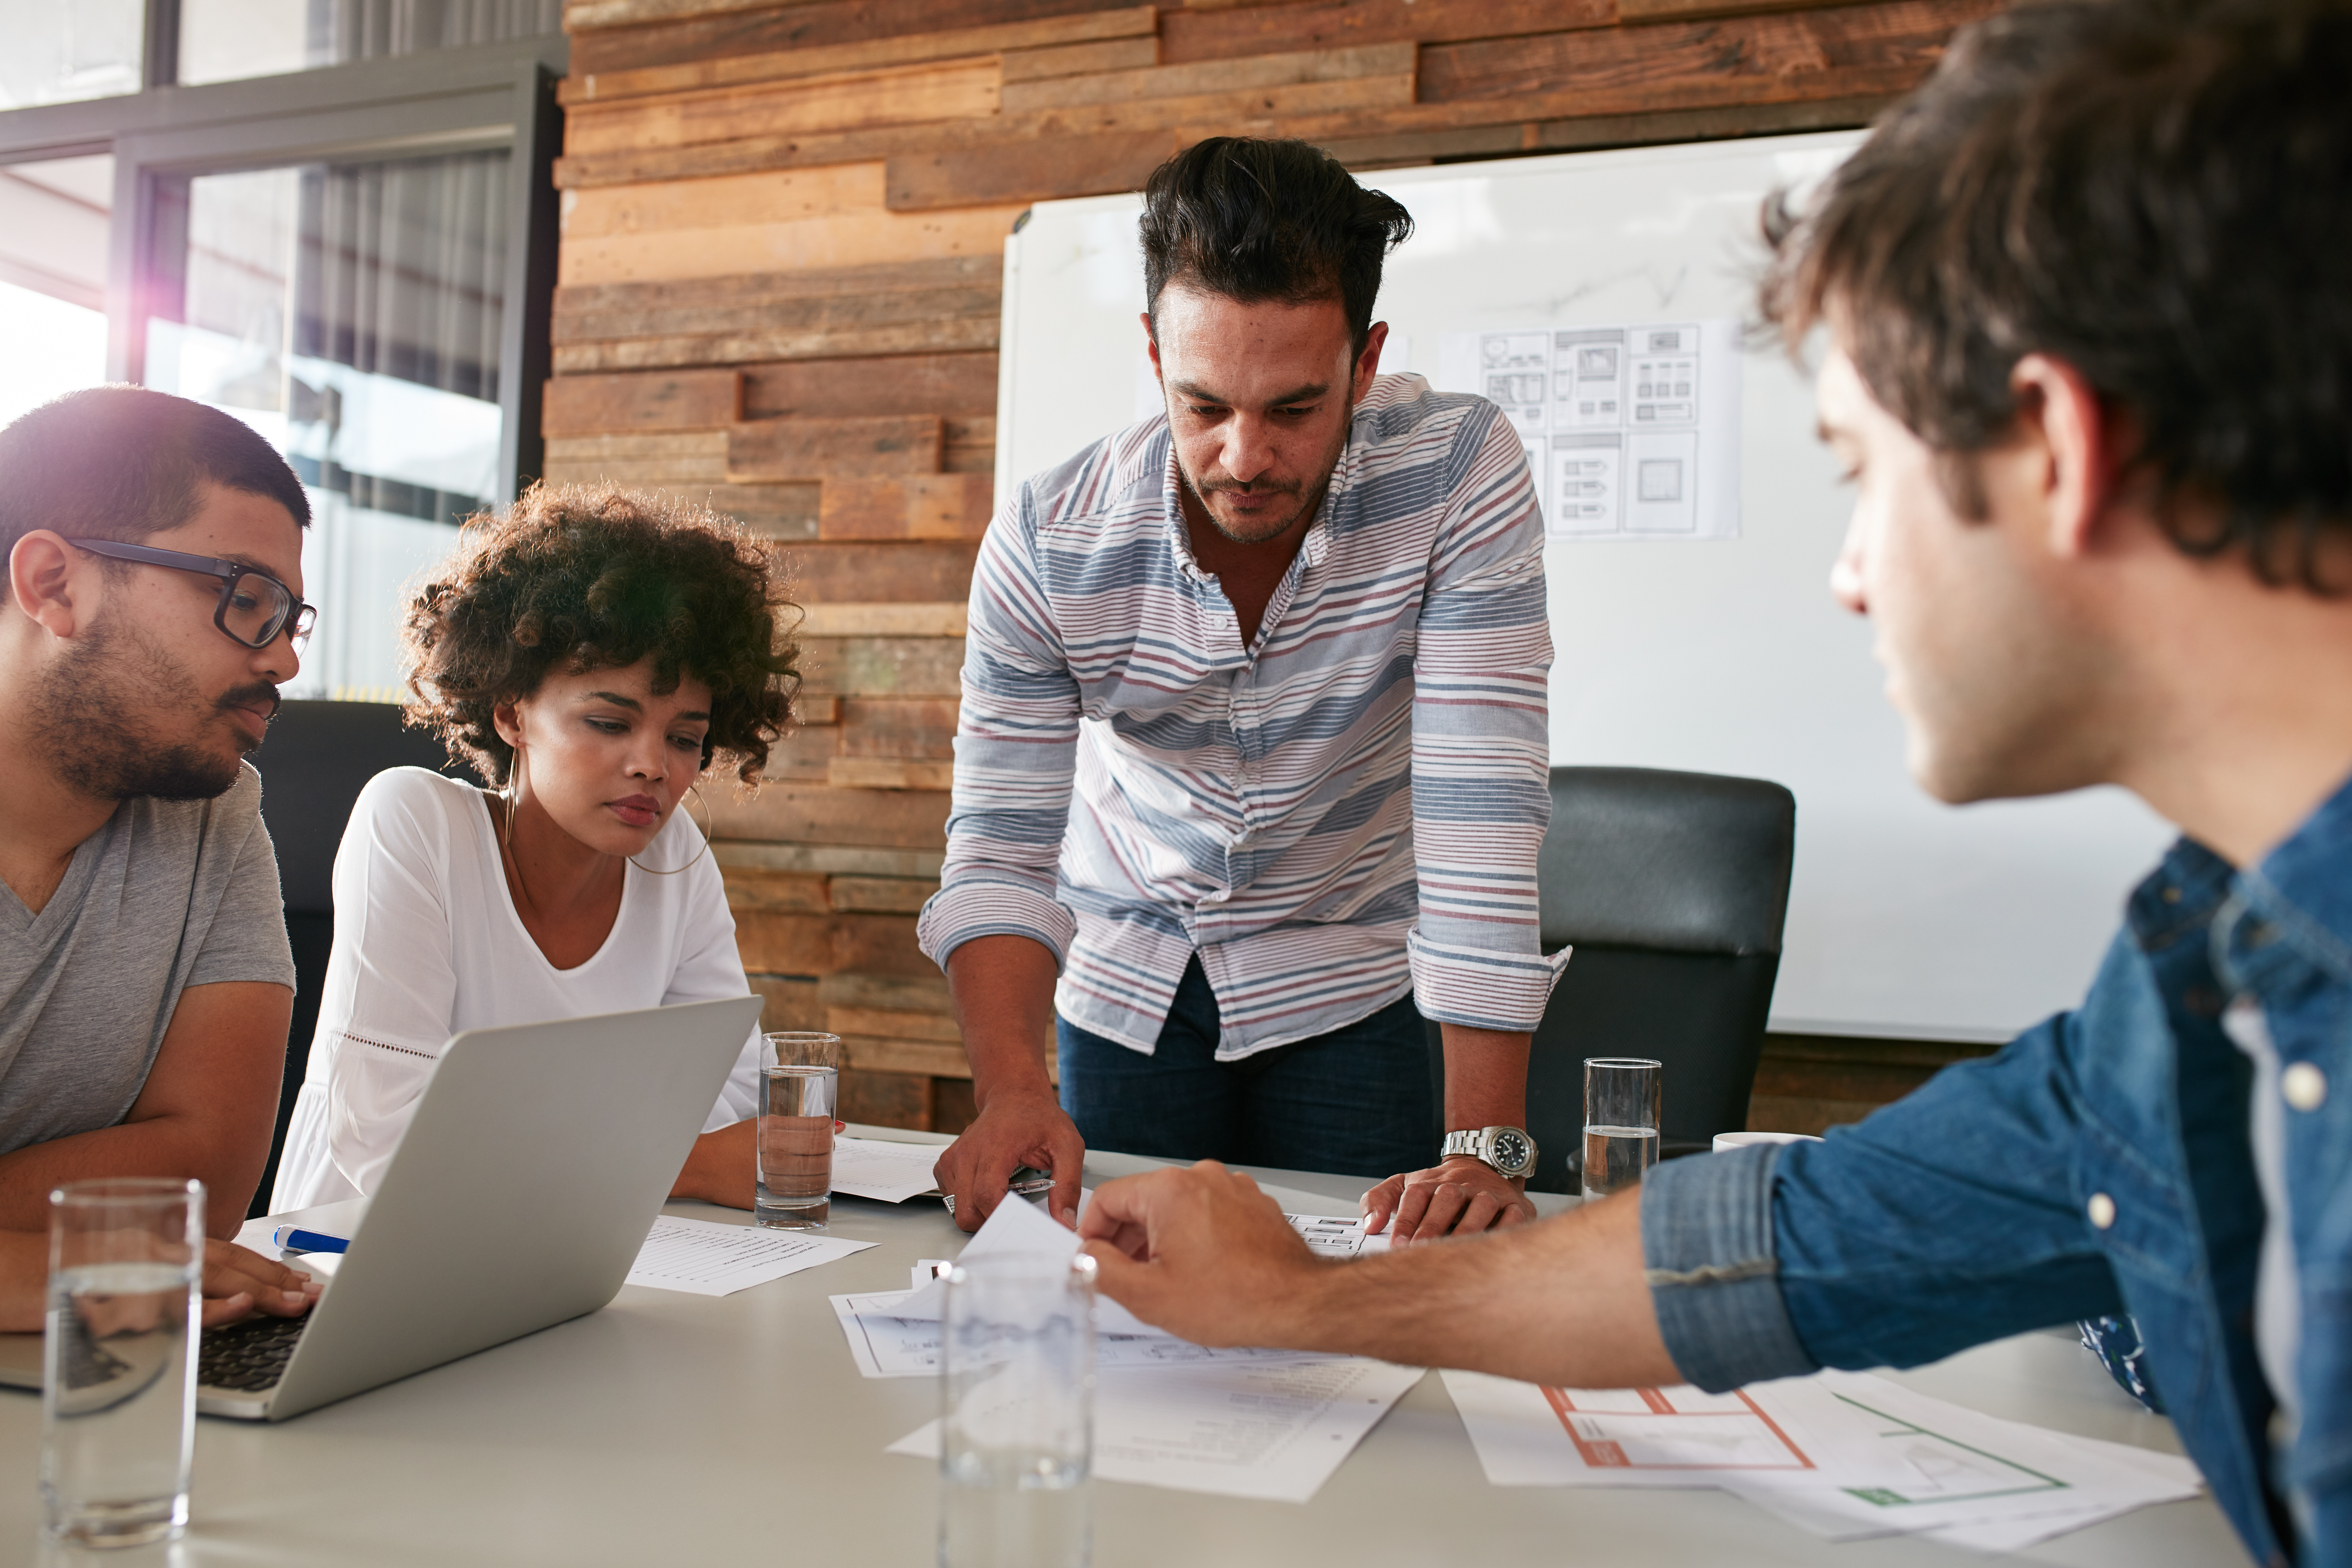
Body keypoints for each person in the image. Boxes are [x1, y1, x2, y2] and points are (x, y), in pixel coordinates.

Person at [1074, 2, 2352, 1563]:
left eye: (1859, 468)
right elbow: (1784, 1246)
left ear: (2055, 448)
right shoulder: (2197, 994)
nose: (1851, 573)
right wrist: (1305, 1298)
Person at [921, 138, 1566, 1238]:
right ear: (1152, 351)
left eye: (1294, 408)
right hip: (1131, 978)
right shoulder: (1049, 539)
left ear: (1365, 366)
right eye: (1205, 403)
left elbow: (1481, 808)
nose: (1243, 455)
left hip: (1350, 972)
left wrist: (1482, 1146)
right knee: (1128, 1314)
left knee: (1360, 1308)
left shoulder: (1457, 473)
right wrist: (1012, 1089)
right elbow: (1000, 847)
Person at [269, 484, 798, 1211]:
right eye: (610, 723)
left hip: (580, 1251)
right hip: (347, 1264)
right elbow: (396, 1146)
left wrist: (540, 1143)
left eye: (684, 738)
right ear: (512, 713)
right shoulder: (414, 822)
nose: (654, 765)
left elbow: (736, 1100)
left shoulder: (674, 859)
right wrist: (691, 1167)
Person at [0, 387, 321, 1247]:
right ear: (54, 584)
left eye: (291, 619)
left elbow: (207, 1187)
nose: (284, 657)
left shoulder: (214, 814)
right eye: (246, 598)